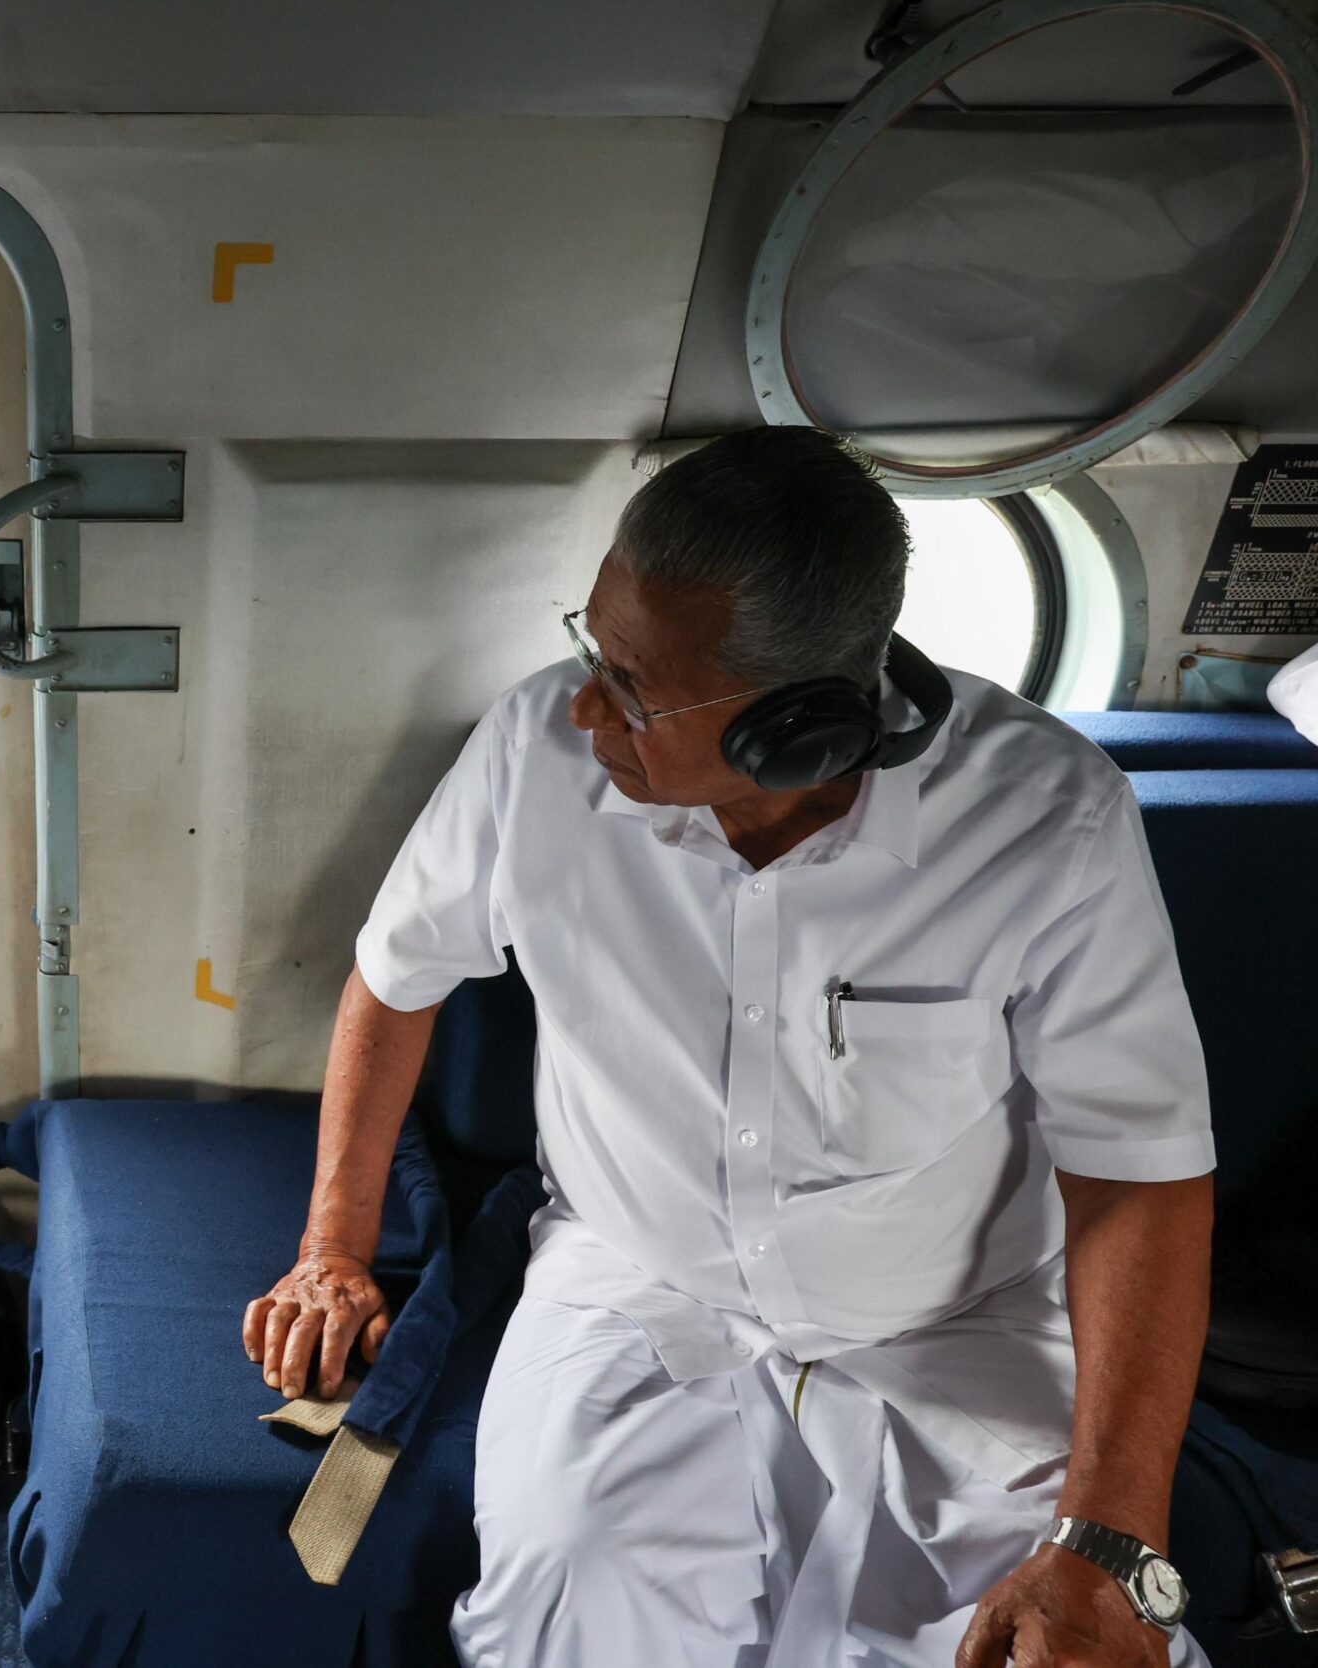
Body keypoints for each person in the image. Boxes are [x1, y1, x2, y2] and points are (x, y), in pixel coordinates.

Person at [246, 428, 1216, 1667]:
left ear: (800, 729)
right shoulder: (535, 753)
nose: (587, 704)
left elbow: (1137, 1169)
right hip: (639, 1282)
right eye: (592, 648)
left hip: (957, 1323)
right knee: (570, 1600)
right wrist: (331, 1248)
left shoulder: (1050, 820)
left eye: (638, 688)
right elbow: (394, 980)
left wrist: (1112, 1542)